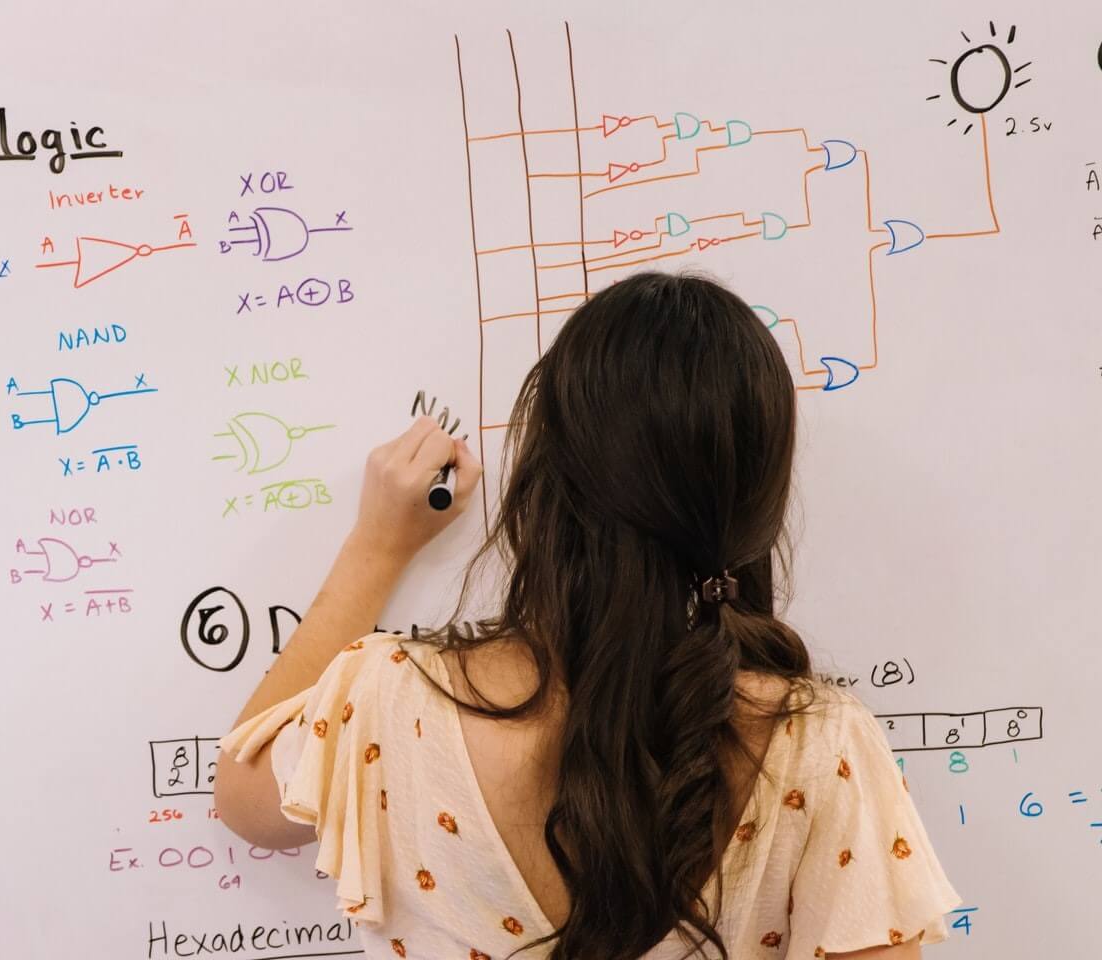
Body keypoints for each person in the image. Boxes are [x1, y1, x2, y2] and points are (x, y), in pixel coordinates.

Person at [215, 272, 958, 959]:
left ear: (544, 484)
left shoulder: (384, 700)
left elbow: (242, 797)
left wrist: (376, 546)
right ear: (754, 505)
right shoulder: (818, 743)